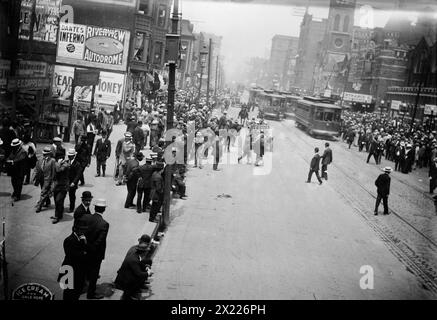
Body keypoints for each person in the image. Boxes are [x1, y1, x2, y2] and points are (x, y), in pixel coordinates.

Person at [85, 199, 110, 300]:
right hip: (96, 254)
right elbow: (99, 241)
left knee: (85, 270)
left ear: (94, 208)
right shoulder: (104, 224)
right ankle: (91, 294)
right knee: (94, 274)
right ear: (103, 210)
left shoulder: (87, 218)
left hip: (86, 250)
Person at [59, 224, 88, 300]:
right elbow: (72, 255)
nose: (83, 231)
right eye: (81, 230)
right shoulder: (69, 240)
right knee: (68, 293)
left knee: (77, 291)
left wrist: (84, 243)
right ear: (75, 229)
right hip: (69, 270)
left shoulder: (81, 238)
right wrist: (84, 252)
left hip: (77, 270)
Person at [33, 146, 56, 212]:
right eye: (44, 153)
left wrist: (52, 181)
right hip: (41, 178)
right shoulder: (40, 159)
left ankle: (39, 207)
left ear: (49, 154)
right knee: (45, 191)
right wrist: (34, 178)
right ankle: (47, 202)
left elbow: (53, 172)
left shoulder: (52, 161)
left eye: (46, 154)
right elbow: (37, 169)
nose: (44, 155)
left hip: (48, 179)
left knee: (43, 193)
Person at [51, 156, 71, 224]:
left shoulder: (65, 164)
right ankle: (59, 215)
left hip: (63, 187)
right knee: (57, 201)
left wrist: (58, 164)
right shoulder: (57, 163)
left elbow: (59, 170)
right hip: (57, 186)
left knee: (58, 200)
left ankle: (57, 216)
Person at [67, 149, 82, 213]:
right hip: (65, 182)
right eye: (68, 155)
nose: (69, 157)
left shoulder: (77, 164)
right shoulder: (66, 162)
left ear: (74, 156)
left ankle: (71, 207)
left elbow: (78, 175)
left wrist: (74, 182)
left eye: (71, 155)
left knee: (72, 196)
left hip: (72, 182)